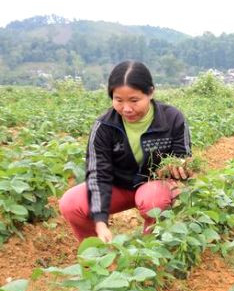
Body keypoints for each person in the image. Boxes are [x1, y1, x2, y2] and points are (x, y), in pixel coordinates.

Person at [59, 61, 192, 243]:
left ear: (150, 92)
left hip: (154, 186)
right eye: (118, 100)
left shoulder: (172, 118)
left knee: (154, 201)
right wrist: (100, 220)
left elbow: (182, 156)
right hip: (119, 186)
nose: (126, 108)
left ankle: (150, 251)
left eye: (134, 100)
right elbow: (98, 173)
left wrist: (178, 168)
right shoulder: (104, 126)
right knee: (71, 204)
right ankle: (96, 256)